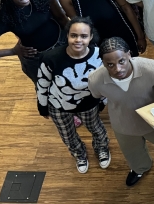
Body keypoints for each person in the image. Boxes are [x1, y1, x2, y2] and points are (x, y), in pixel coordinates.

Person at [88, 37, 154, 186]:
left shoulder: (153, 68)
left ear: (129, 55)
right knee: (132, 152)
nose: (117, 69)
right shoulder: (95, 80)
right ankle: (139, 168)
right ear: (103, 63)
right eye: (110, 65)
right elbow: (97, 95)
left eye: (121, 61)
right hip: (124, 124)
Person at [36, 16, 110, 174]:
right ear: (67, 36)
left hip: (89, 104)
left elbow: (104, 81)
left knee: (96, 129)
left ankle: (101, 148)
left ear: (90, 37)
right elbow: (42, 83)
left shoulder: (99, 55)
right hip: (58, 105)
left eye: (83, 36)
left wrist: (104, 100)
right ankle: (79, 154)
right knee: (67, 135)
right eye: (73, 35)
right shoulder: (51, 58)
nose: (78, 40)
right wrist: (42, 106)